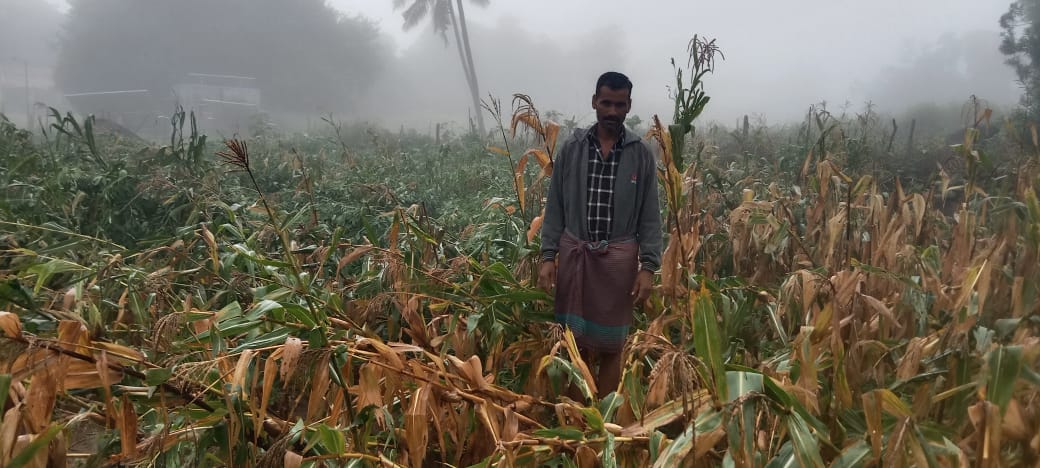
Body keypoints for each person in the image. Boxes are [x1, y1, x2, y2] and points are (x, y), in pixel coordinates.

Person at [538, 71, 662, 399]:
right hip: (576, 257)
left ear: (628, 106)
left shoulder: (640, 154)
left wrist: (648, 267)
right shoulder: (573, 149)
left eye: (619, 105)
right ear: (594, 102)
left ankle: (603, 419)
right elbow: (556, 206)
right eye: (605, 102)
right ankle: (575, 417)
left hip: (618, 264)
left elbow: (650, 214)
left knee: (611, 347)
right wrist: (548, 256)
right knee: (572, 345)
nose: (611, 111)